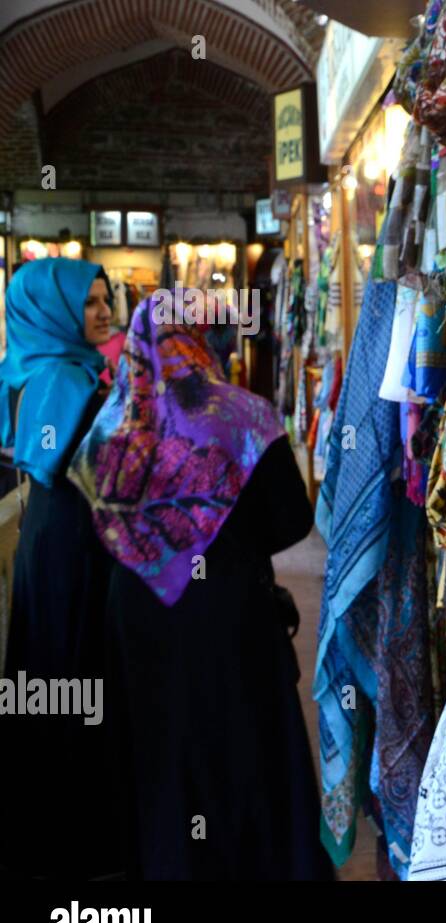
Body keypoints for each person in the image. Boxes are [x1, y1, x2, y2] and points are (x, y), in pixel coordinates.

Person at [67, 293, 333, 880]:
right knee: (243, 741)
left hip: (138, 609)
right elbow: (292, 519)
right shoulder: (243, 414)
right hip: (227, 608)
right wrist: (228, 541)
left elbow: (95, 521)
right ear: (196, 335)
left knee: (159, 744)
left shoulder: (112, 422)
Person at [0, 257, 127, 879]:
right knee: (73, 666)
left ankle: (53, 828)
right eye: (91, 302)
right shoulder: (64, 381)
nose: (105, 311)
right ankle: (77, 835)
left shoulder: (41, 367)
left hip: (53, 539)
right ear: (56, 311)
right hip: (72, 543)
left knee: (52, 669)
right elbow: (68, 466)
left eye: (106, 300)